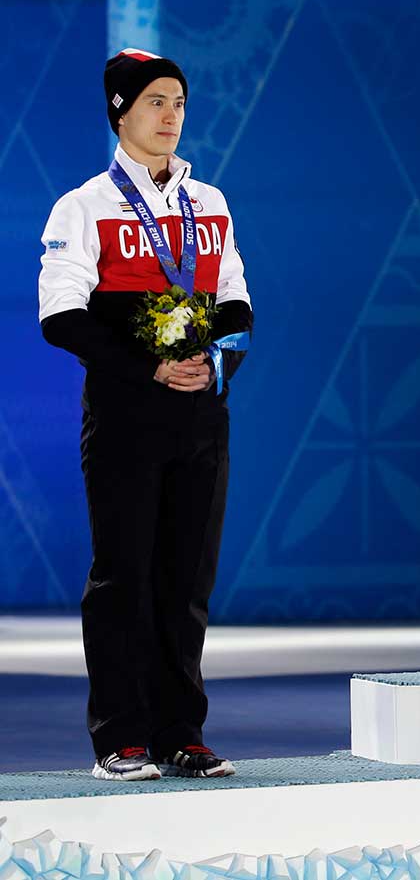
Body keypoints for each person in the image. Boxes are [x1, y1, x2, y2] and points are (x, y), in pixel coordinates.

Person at [38, 49, 253, 778]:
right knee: (123, 575)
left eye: (180, 102)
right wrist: (151, 366)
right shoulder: (85, 206)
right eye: (156, 101)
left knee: (186, 581)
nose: (171, 116)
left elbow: (236, 301)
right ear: (119, 111)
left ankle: (180, 733)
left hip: (200, 413)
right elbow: (60, 317)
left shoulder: (210, 202)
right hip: (127, 413)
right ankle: (120, 738)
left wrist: (215, 362)